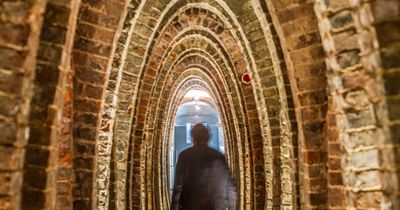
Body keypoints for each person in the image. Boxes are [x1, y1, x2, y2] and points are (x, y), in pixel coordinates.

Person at [171, 123, 237, 210]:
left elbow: (178, 188)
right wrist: (232, 207)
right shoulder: (218, 156)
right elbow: (230, 188)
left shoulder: (184, 156)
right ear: (208, 138)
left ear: (193, 137)